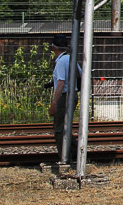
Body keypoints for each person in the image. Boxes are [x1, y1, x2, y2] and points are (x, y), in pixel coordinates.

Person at [48, 33, 80, 161]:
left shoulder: (60, 62)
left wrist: (54, 103)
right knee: (66, 127)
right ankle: (76, 153)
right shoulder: (71, 58)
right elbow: (80, 75)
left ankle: (65, 157)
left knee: (59, 128)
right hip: (73, 95)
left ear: (54, 48)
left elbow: (61, 83)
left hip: (65, 97)